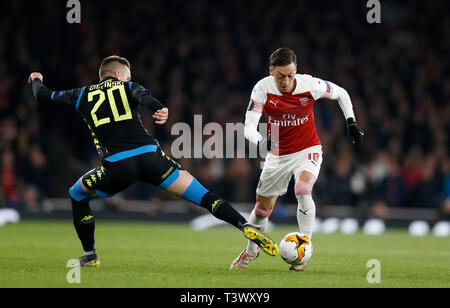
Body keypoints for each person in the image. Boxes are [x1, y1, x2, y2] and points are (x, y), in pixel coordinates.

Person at [28, 55, 279, 268]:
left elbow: (43, 95)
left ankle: (90, 255)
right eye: (127, 76)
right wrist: (160, 108)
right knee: (205, 196)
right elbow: (145, 98)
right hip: (152, 159)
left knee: (77, 194)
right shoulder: (128, 87)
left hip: (116, 167)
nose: (128, 79)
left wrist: (36, 78)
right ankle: (243, 224)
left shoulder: (81, 94)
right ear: (117, 74)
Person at [230, 48, 364, 271]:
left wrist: (351, 121)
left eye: (290, 75)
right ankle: (251, 251)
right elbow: (249, 127)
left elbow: (341, 93)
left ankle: (304, 250)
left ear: (296, 71)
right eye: (280, 76)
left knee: (303, 189)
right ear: (271, 71)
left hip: (307, 149)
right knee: (262, 209)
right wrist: (260, 142)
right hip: (278, 155)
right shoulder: (262, 88)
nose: (286, 81)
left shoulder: (309, 85)